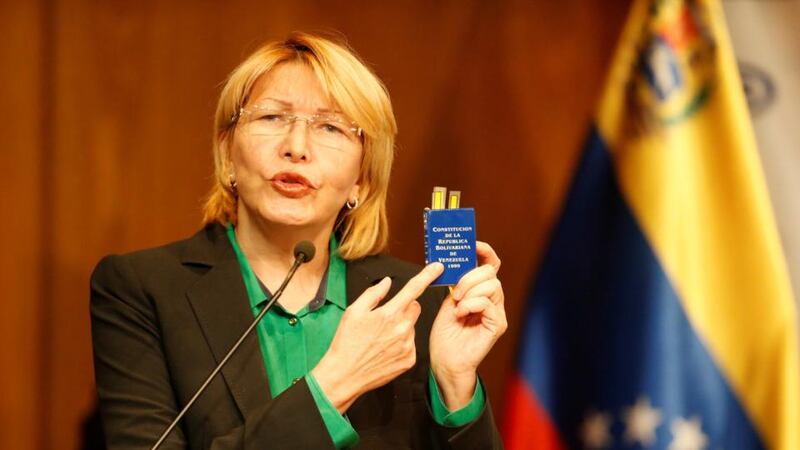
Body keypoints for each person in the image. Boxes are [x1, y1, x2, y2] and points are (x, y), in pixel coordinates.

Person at [90, 32, 507, 450]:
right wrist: (332, 385)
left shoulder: (416, 304)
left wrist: (455, 383)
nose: (297, 147)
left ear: (361, 179)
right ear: (227, 151)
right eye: (271, 118)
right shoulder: (141, 290)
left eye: (330, 126)